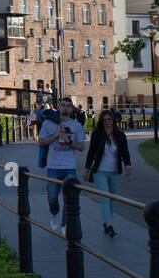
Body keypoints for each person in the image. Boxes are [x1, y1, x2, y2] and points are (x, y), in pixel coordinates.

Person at [38, 96, 86, 235]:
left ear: (72, 109)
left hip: (69, 166)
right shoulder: (48, 123)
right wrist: (55, 135)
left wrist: (68, 141)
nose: (65, 107)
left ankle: (65, 223)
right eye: (63, 105)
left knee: (68, 197)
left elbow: (81, 147)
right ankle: (54, 213)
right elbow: (41, 142)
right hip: (53, 166)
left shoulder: (76, 126)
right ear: (58, 107)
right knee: (52, 197)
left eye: (68, 106)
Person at [84, 109, 132, 239]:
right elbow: (91, 152)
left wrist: (128, 165)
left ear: (113, 120)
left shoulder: (120, 135)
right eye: (104, 120)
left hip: (115, 171)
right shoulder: (97, 134)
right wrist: (87, 168)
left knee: (112, 199)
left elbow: (125, 153)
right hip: (101, 170)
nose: (107, 122)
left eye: (109, 119)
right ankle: (109, 225)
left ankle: (106, 221)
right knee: (105, 197)